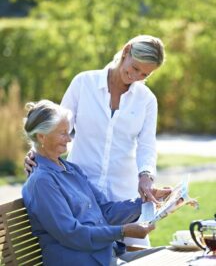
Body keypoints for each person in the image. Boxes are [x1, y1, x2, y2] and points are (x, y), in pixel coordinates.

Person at [25, 34, 165, 246]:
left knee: (133, 250)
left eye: (145, 74)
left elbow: (147, 145)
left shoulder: (146, 100)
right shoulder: (84, 83)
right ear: (126, 51)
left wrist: (146, 176)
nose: (137, 76)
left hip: (122, 194)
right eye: (135, 68)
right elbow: (58, 128)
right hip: (81, 190)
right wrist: (36, 150)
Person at [22, 100, 171, 266]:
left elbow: (106, 211)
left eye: (68, 132)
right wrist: (122, 231)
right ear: (42, 136)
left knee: (173, 255)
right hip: (81, 261)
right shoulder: (42, 182)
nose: (69, 140)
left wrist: (146, 201)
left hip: (105, 256)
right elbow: (71, 233)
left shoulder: (71, 169)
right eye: (63, 133)